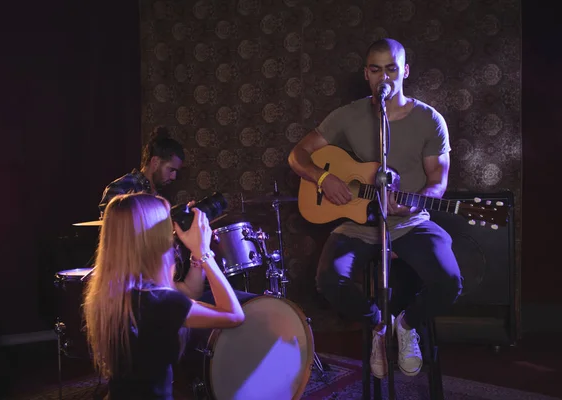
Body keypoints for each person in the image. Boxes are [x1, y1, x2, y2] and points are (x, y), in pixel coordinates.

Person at [287, 38, 463, 379]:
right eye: (376, 69)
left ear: (405, 71)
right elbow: (297, 156)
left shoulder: (429, 120)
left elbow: (437, 183)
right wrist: (323, 180)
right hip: (358, 224)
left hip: (409, 222)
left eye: (392, 68)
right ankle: (379, 325)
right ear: (366, 74)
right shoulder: (348, 116)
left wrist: (410, 208)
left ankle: (406, 324)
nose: (385, 76)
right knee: (329, 279)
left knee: (449, 280)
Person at [83, 193, 245, 399]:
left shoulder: (117, 292)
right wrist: (204, 251)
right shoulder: (159, 302)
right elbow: (234, 316)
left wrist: (196, 256)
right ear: (152, 238)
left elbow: (188, 291)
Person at [98, 126, 185, 216]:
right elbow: (110, 225)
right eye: (171, 170)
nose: (173, 176)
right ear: (155, 162)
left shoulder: (159, 197)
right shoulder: (121, 187)